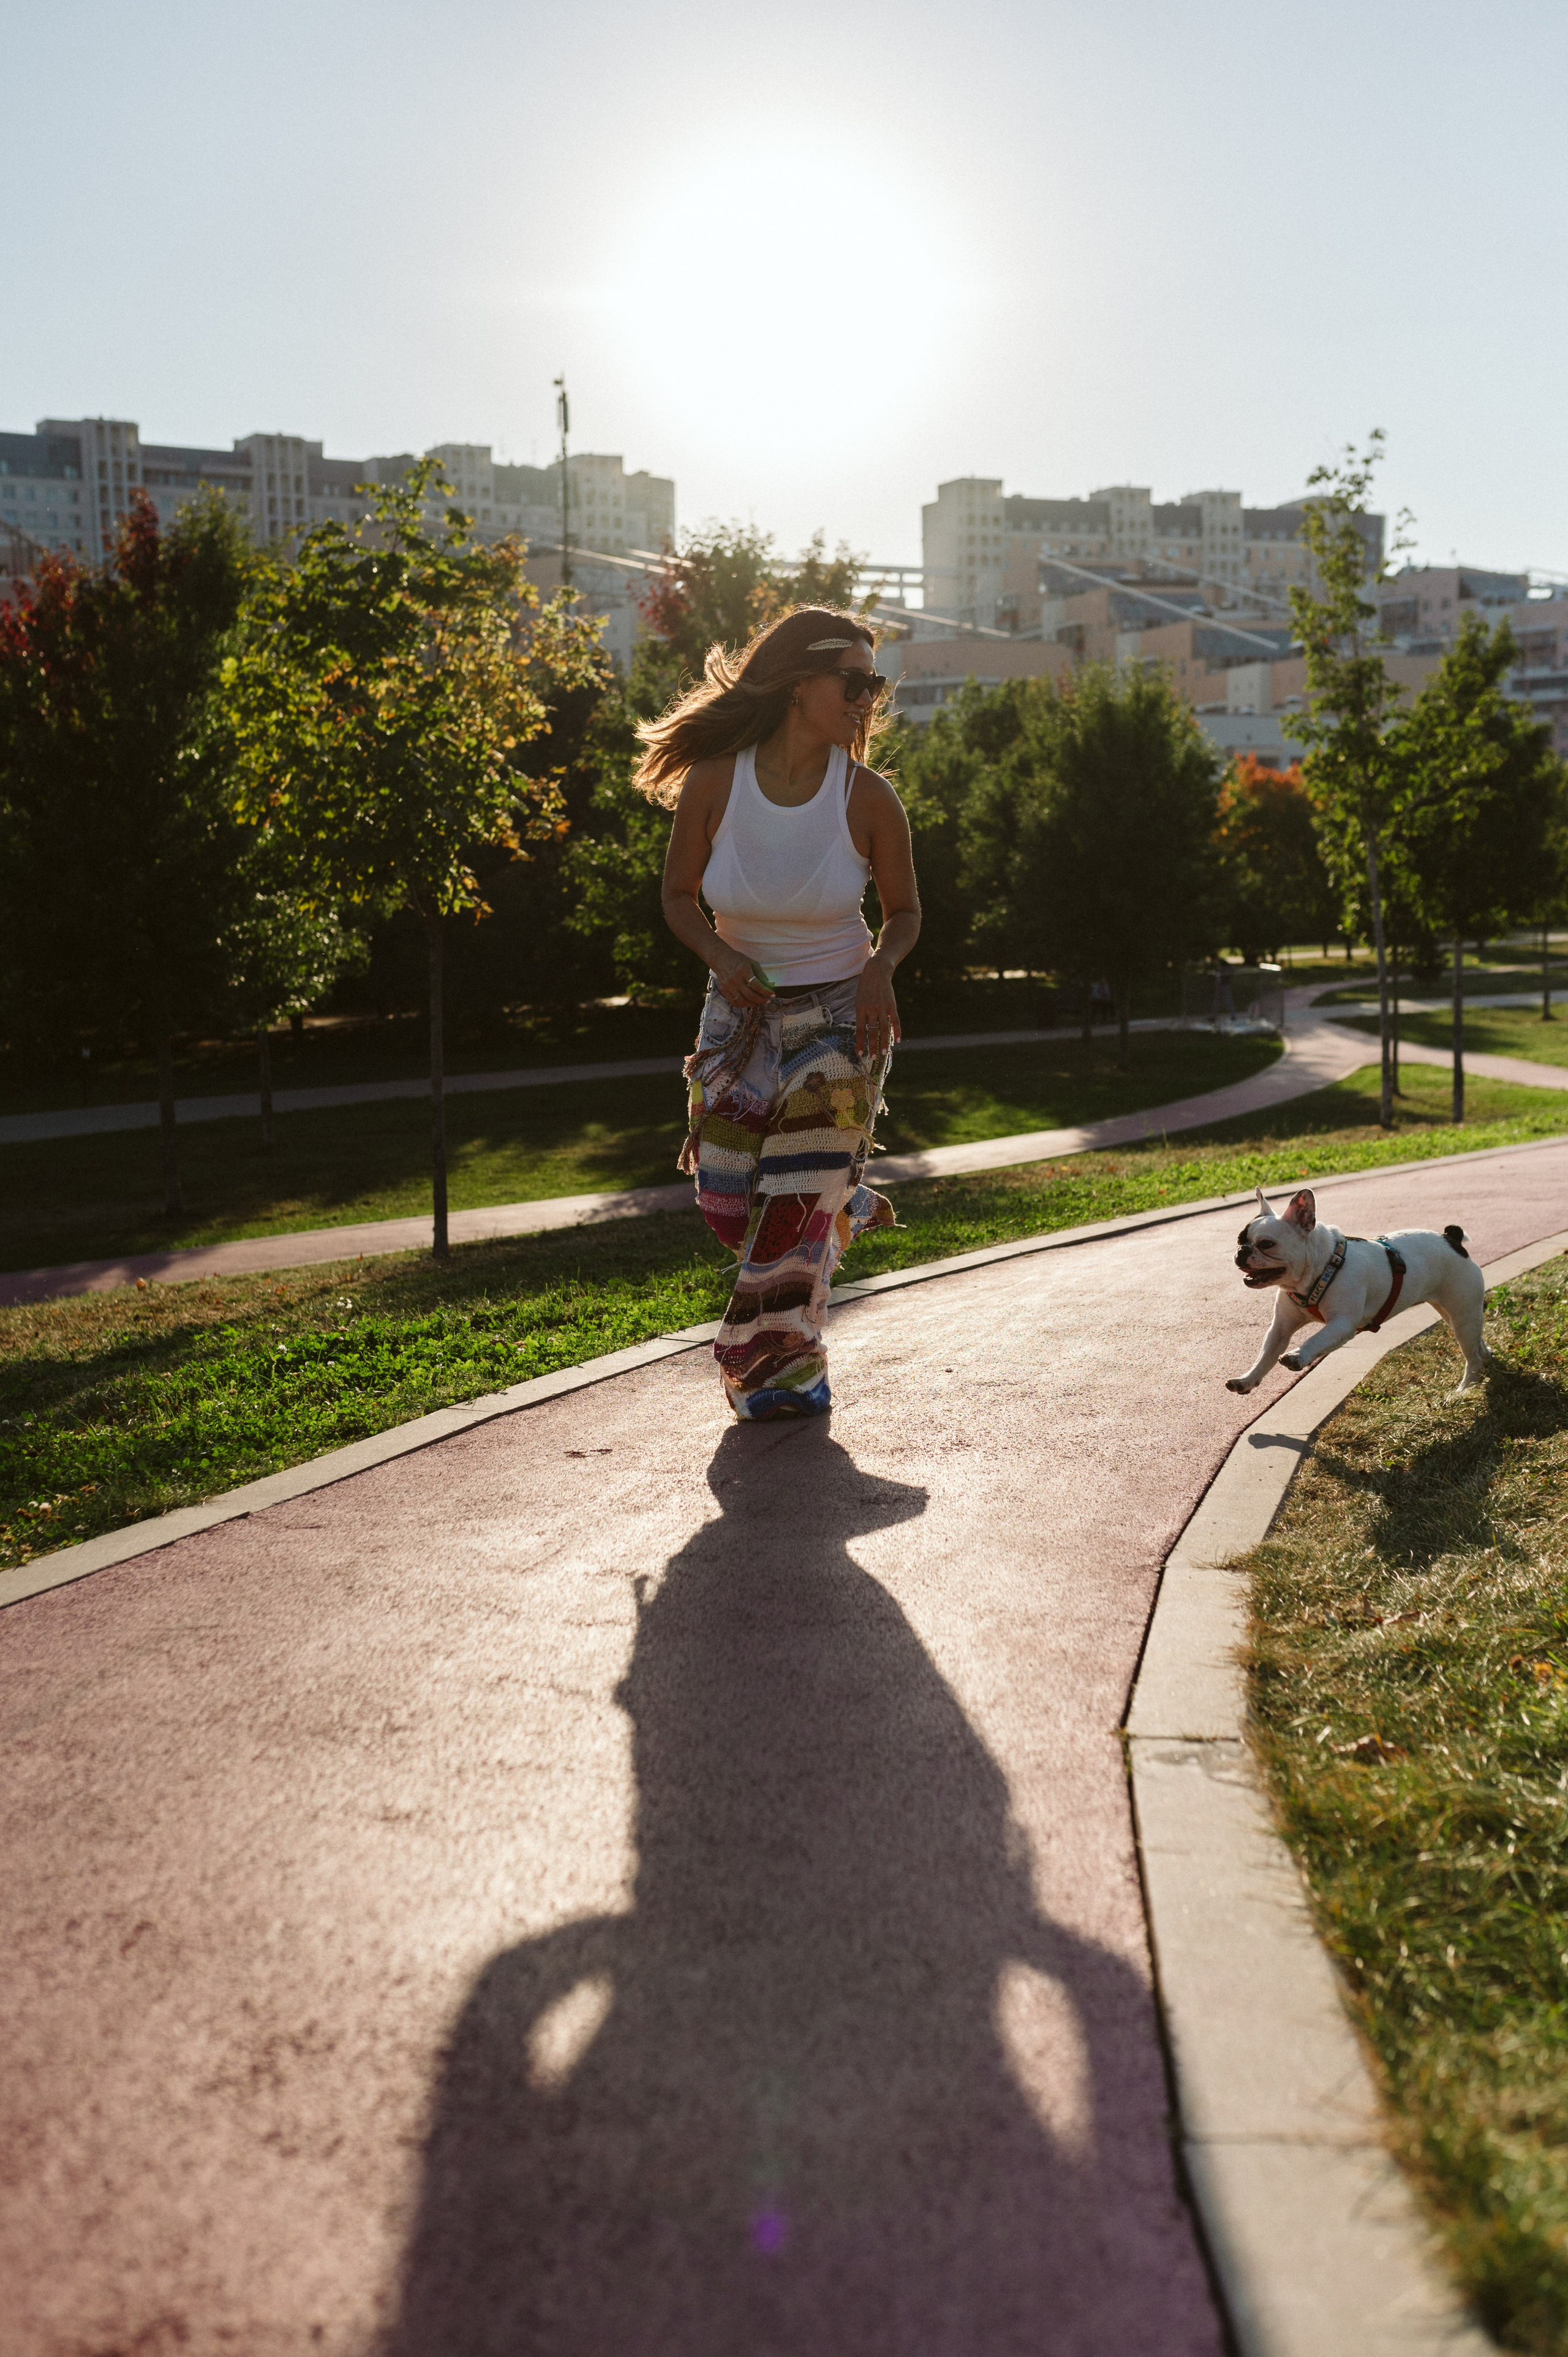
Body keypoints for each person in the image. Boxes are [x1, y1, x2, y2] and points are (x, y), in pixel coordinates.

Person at [638, 605, 921, 1422]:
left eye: (875, 685)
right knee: (733, 1208)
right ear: (802, 682)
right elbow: (677, 896)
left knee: (792, 1207)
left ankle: (779, 1368)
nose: (868, 698)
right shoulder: (718, 781)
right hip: (741, 1018)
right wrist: (724, 960)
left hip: (844, 1018)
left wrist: (881, 967)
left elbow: (905, 912)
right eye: (855, 681)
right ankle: (843, 1200)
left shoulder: (868, 797)